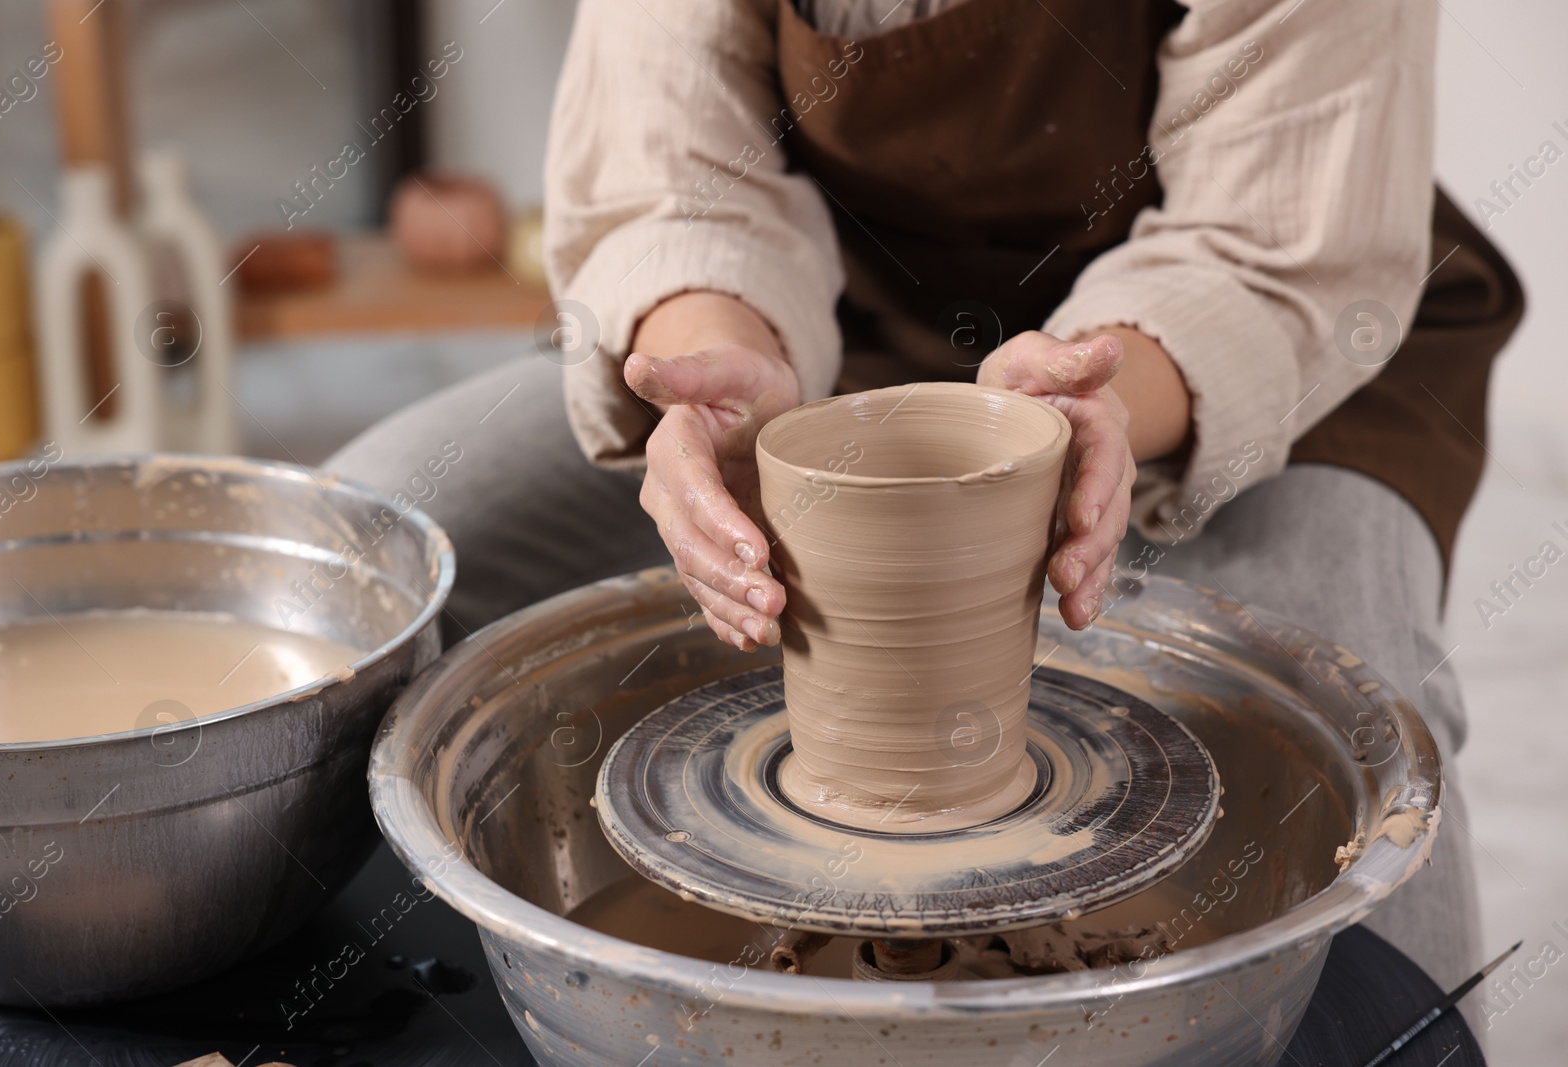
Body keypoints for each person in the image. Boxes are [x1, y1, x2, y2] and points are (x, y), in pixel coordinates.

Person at [330, 0, 1522, 1029]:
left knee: (1354, 729)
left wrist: (1096, 393)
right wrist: (716, 366)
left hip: (1242, 327)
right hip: (829, 313)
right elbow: (672, 164)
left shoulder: (1253, 291)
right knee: (371, 557)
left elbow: (1273, 239)